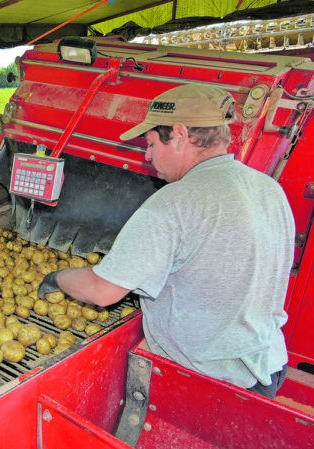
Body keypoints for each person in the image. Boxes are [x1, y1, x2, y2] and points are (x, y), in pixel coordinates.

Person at [37, 84, 294, 398]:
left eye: (151, 143)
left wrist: (57, 279)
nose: (147, 156)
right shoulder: (268, 188)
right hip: (267, 364)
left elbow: (101, 291)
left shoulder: (174, 201)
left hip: (211, 382)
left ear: (180, 135)